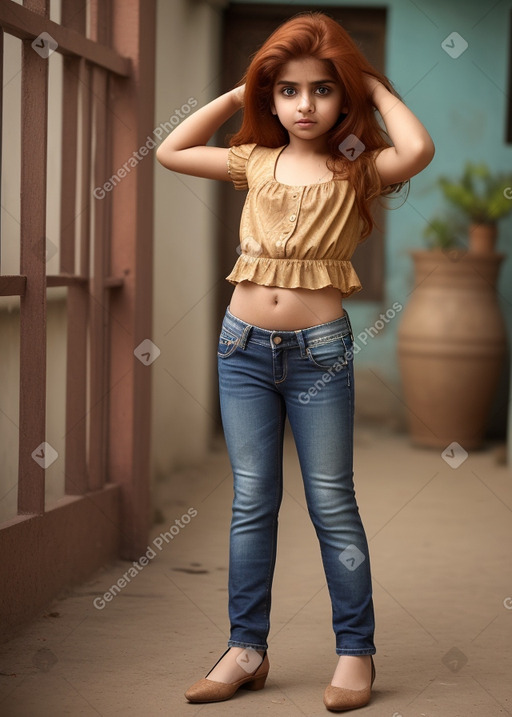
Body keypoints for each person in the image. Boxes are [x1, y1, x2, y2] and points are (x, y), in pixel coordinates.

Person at [156, 11, 434, 712]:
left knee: (331, 501)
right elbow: (170, 150)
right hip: (241, 347)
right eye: (286, 90)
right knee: (252, 500)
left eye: (322, 89)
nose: (304, 104)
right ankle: (245, 648)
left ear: (344, 98)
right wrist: (237, 93)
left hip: (319, 354)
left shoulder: (359, 168)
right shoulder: (253, 159)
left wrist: (368, 82)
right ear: (270, 97)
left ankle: (355, 650)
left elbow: (419, 146)